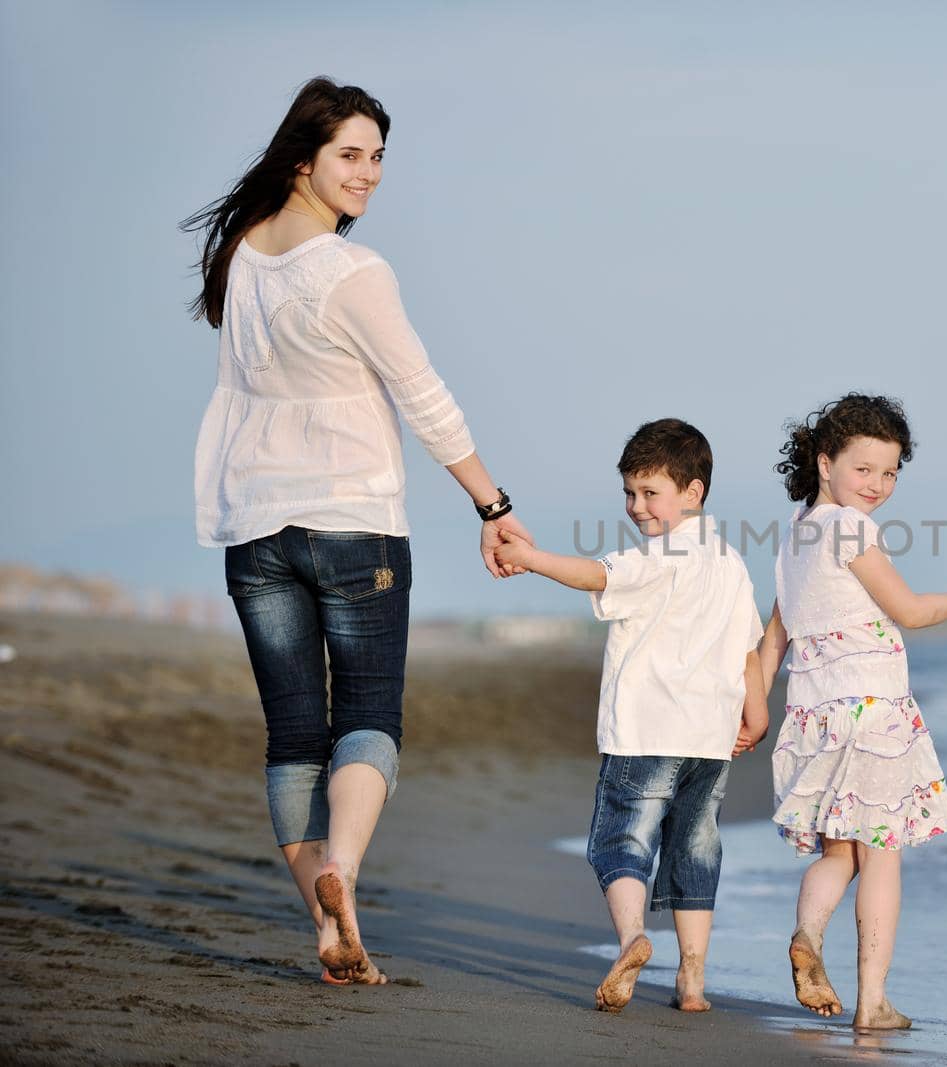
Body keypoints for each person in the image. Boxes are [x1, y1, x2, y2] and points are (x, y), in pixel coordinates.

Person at [185, 77, 534, 985]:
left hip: (255, 528)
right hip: (354, 526)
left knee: (294, 735)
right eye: (350, 154)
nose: (369, 173)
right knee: (369, 719)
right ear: (303, 158)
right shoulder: (351, 272)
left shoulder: (241, 258)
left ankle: (327, 920)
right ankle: (342, 866)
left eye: (378, 157)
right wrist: (493, 508)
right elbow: (425, 396)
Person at [492, 418, 765, 1013]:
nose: (636, 506)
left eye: (650, 493)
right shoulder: (731, 562)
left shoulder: (659, 557)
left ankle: (632, 938)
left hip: (646, 731)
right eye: (629, 492)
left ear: (692, 494)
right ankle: (692, 982)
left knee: (621, 840)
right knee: (695, 849)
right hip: (711, 739)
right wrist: (758, 711)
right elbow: (749, 645)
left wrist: (532, 558)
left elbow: (598, 575)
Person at [760, 394, 947, 1030]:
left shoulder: (795, 537)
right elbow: (909, 611)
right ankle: (872, 1002)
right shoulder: (851, 529)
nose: (878, 484)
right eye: (864, 469)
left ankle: (808, 935)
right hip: (872, 713)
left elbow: (774, 639)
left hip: (814, 715)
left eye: (891, 471)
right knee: (883, 852)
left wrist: (752, 712)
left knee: (838, 854)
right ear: (825, 462)